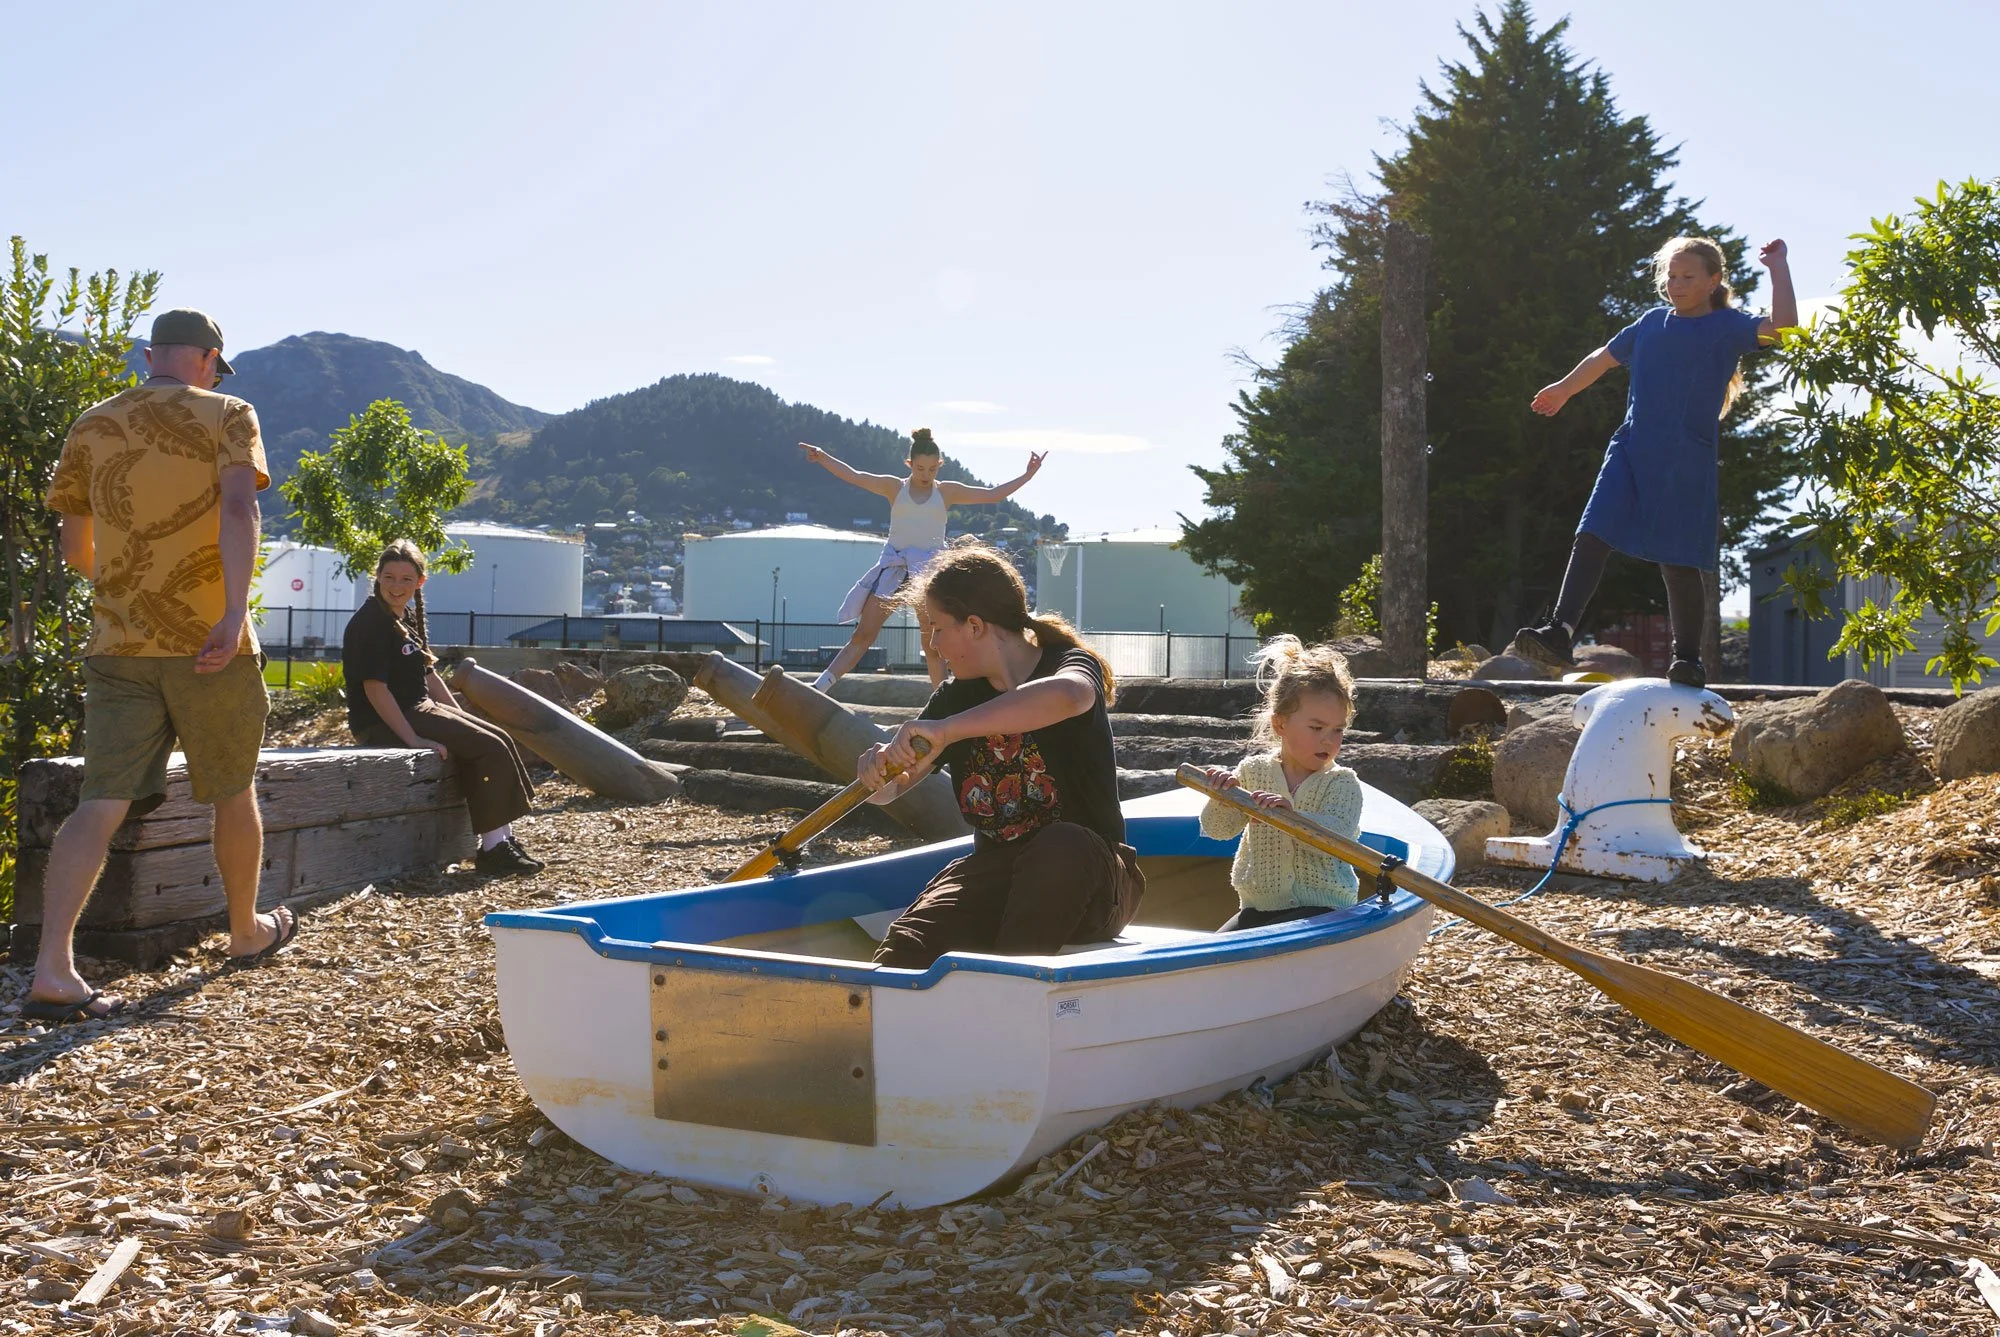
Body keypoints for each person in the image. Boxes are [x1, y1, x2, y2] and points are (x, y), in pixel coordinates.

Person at [28, 309, 297, 1023]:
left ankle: (53, 967)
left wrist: (129, 595)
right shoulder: (229, 414)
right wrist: (232, 613)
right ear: (208, 359)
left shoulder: (92, 423)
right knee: (231, 790)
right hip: (211, 644)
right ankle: (245, 930)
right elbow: (238, 509)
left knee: (100, 800)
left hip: (119, 644)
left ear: (151, 356)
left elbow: (75, 547)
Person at [1511, 236, 1797, 689]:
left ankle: (1688, 660)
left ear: (1713, 281)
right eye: (1671, 275)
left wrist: (1778, 267)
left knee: (1678, 561)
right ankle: (1559, 630)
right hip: (1631, 448)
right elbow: (1603, 359)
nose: (1675, 284)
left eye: (1687, 277)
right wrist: (1564, 389)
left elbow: (1783, 328)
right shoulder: (1649, 323)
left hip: (1686, 458)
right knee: (1592, 532)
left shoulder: (1727, 326)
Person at [856, 541, 1143, 968]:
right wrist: (876, 776)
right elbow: (895, 785)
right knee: (910, 945)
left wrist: (947, 730)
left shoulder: (1068, 664)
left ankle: (1007, 985)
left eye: (937, 628)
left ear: (974, 626)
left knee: (1060, 846)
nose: (933, 645)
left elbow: (1069, 695)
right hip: (1000, 876)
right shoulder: (955, 698)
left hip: (1095, 880)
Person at [343, 541, 543, 875]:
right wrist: (413, 740)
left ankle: (504, 840)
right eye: (389, 577)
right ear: (377, 576)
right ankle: (492, 850)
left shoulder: (404, 617)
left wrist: (460, 717)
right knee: (488, 747)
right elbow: (375, 690)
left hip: (416, 709)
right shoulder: (371, 622)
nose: (396, 586)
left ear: (420, 582)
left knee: (498, 738)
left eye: (406, 579)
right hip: (384, 720)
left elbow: (428, 675)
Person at [799, 428, 1044, 691]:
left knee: (932, 646)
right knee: (863, 635)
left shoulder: (946, 492)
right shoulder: (895, 487)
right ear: (909, 464)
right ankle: (819, 687)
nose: (926, 475)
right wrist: (823, 457)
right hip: (895, 567)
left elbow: (992, 494)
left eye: (932, 469)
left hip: (929, 573)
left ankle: (941, 704)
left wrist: (1027, 475)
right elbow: (855, 476)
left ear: (940, 466)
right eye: (920, 469)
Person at [1196, 637, 1364, 930]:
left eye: (1338, 730)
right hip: (1258, 907)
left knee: (1272, 939)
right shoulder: (1253, 771)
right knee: (1213, 948)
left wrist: (1292, 817)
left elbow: (1338, 841)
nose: (1329, 740)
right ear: (1280, 724)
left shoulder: (1341, 783)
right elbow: (1217, 829)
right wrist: (1223, 798)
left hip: (1323, 909)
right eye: (1316, 728)